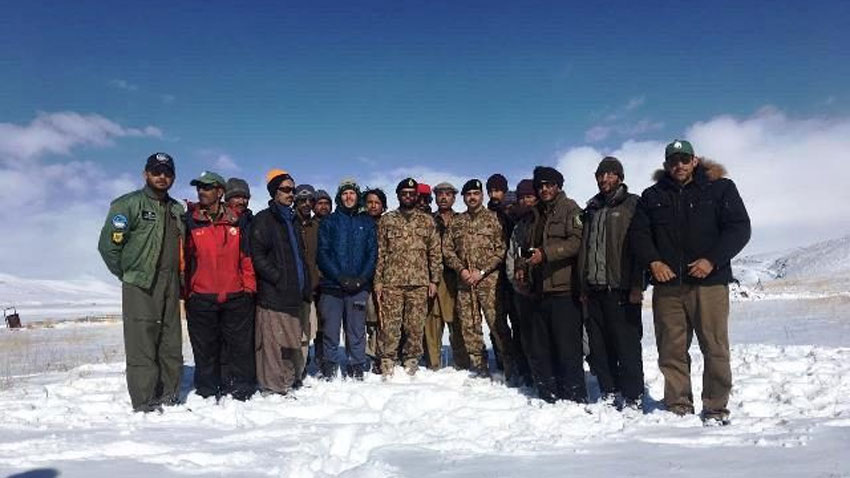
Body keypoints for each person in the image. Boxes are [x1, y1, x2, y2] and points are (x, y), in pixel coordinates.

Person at [631, 140, 750, 425]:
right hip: (668, 287)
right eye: (673, 161)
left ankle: (715, 407)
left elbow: (739, 228)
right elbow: (639, 234)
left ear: (695, 161)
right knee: (671, 349)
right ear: (666, 165)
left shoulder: (720, 188)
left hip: (709, 284)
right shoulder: (652, 195)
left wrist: (712, 260)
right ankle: (678, 404)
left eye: (684, 159)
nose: (679, 165)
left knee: (715, 347)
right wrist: (654, 262)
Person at [97, 152, 185, 413]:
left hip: (171, 283)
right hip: (140, 284)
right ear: (145, 173)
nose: (162, 176)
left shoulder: (177, 209)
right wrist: (129, 275)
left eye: (167, 172)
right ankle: (144, 400)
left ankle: (169, 394)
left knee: (170, 341)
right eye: (156, 171)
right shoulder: (128, 205)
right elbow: (108, 248)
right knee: (141, 342)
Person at [577, 157, 645, 409]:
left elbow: (640, 247)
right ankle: (609, 389)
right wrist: (583, 286)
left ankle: (633, 395)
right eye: (600, 175)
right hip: (594, 290)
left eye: (609, 174)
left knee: (626, 345)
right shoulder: (591, 209)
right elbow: (584, 250)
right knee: (599, 346)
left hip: (622, 288)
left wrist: (638, 284)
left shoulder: (633, 205)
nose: (604, 179)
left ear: (620, 177)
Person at [183, 171, 257, 401]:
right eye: (199, 187)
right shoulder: (190, 221)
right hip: (202, 297)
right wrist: (189, 293)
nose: (201, 191)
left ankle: (240, 388)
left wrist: (248, 289)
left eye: (207, 187)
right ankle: (206, 390)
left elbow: (246, 258)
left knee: (239, 347)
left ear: (220, 192)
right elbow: (183, 260)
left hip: (236, 296)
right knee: (205, 348)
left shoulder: (236, 220)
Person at [443, 179, 516, 380]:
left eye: (476, 193)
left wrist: (482, 271)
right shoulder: (457, 223)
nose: (472, 197)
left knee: (497, 324)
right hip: (465, 283)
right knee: (469, 325)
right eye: (468, 194)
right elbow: (447, 250)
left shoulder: (494, 220)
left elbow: (502, 249)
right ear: (464, 198)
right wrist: (462, 270)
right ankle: (479, 366)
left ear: (482, 196)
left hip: (489, 282)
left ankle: (509, 366)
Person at [525, 166, 586, 403]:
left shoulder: (571, 209)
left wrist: (547, 254)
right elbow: (529, 245)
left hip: (564, 290)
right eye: (540, 186)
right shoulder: (536, 213)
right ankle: (548, 394)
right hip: (539, 290)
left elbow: (577, 242)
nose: (544, 189)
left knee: (568, 348)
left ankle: (574, 396)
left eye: (549, 185)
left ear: (558, 186)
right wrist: (524, 267)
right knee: (542, 348)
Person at [250, 169, 312, 395]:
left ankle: (286, 380)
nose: (291, 194)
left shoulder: (292, 219)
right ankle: (272, 386)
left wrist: (304, 283)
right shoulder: (264, 219)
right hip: (274, 293)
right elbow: (258, 255)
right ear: (274, 192)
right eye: (286, 189)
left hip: (294, 293)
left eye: (292, 190)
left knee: (289, 342)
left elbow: (298, 256)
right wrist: (278, 278)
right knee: (273, 344)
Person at [374, 178, 442, 377]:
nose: (408, 197)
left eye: (411, 194)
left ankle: (411, 359)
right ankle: (388, 359)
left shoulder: (427, 221)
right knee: (390, 324)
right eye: (404, 193)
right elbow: (381, 252)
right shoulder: (388, 220)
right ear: (398, 196)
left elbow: (435, 253)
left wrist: (434, 280)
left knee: (414, 325)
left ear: (416, 196)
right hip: (392, 282)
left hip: (419, 282)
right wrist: (378, 281)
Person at [316, 179, 378, 380]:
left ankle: (357, 365)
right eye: (344, 194)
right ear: (339, 197)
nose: (348, 197)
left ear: (357, 196)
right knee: (331, 330)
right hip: (332, 286)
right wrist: (339, 277)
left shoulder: (366, 222)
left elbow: (372, 253)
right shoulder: (329, 221)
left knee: (356, 330)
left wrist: (362, 278)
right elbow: (323, 253)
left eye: (352, 193)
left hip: (358, 287)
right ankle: (330, 366)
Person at [423, 182, 467, 370]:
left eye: (447, 194)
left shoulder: (462, 220)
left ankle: (462, 362)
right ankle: (433, 362)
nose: (443, 197)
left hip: (456, 276)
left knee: (457, 319)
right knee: (433, 320)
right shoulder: (428, 220)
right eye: (440, 194)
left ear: (454, 197)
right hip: (433, 276)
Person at [504, 179, 537, 386]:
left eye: (529, 196)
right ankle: (526, 372)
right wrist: (515, 281)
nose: (525, 201)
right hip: (520, 290)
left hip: (542, 289)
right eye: (522, 197)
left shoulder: (542, 221)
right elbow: (511, 255)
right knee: (522, 333)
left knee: (540, 335)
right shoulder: (519, 226)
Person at [294, 184, 320, 376]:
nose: (305, 204)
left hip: (313, 287)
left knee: (308, 331)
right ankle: (295, 368)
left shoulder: (316, 227)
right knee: (293, 331)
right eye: (301, 200)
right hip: (292, 288)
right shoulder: (289, 224)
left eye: (309, 201)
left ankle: (302, 367)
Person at [362, 187, 387, 371]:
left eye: (377, 203)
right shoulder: (358, 223)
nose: (373, 206)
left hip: (386, 280)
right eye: (370, 202)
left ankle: (381, 355)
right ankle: (368, 355)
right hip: (363, 279)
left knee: (382, 319)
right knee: (368, 320)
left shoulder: (388, 224)